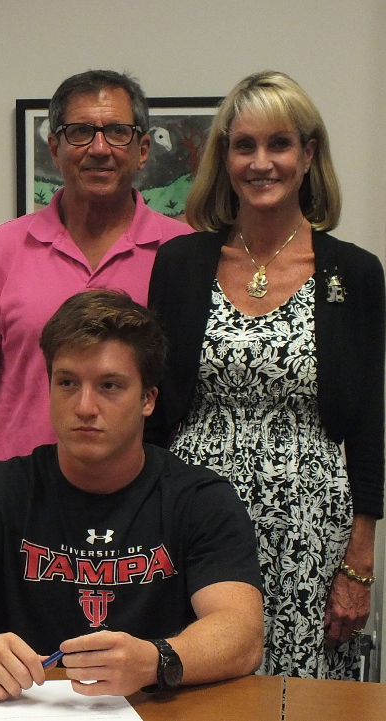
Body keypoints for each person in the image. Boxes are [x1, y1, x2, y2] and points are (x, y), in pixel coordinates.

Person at [0, 290, 263, 699]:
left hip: (153, 706)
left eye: (109, 385)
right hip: (25, 706)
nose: (85, 407)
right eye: (67, 382)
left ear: (148, 399)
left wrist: (157, 659)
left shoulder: (200, 500)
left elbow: (242, 634)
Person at [145, 71, 384, 680]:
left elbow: (370, 422)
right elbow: (152, 407)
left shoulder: (355, 273)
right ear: (224, 157)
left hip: (312, 531)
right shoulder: (179, 264)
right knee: (192, 678)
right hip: (193, 516)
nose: (261, 162)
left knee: (300, 695)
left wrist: (360, 562)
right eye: (244, 145)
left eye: (279, 144)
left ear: (308, 155)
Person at [0, 70, 191, 489]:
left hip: (146, 509)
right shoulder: (0, 250)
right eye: (81, 132)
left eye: (117, 132)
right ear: (55, 148)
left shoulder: (185, 253)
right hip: (20, 500)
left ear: (144, 149)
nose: (99, 148)